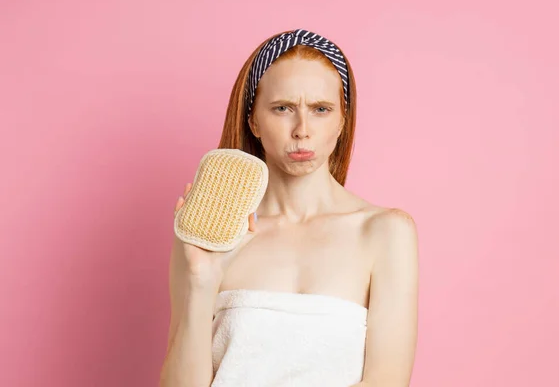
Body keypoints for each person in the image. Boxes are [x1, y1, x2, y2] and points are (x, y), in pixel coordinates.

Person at [159, 29, 419, 387]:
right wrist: (202, 283)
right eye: (283, 108)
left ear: (342, 120)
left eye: (321, 110)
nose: (302, 129)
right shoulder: (208, 233)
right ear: (253, 120)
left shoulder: (386, 232)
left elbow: (387, 381)